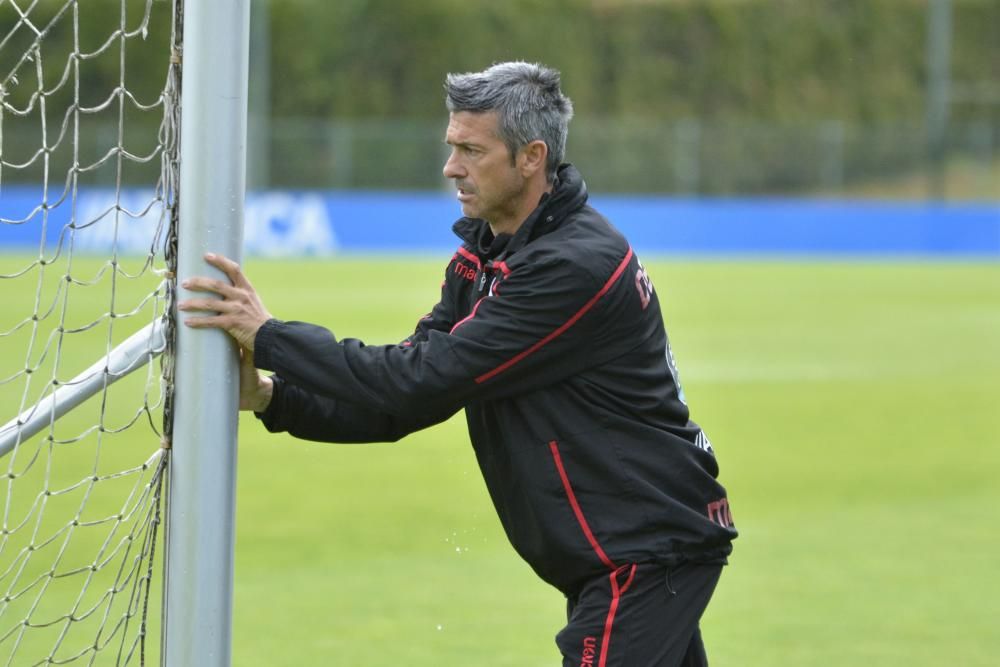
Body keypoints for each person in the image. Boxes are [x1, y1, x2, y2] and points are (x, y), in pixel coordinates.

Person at [179, 61, 736, 667]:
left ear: (531, 157)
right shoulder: (486, 253)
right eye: (451, 147)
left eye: (472, 150)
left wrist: (269, 335)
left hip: (645, 554)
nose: (451, 168)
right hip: (627, 550)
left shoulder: (571, 267)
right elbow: (407, 401)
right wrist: (270, 394)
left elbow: (418, 377)